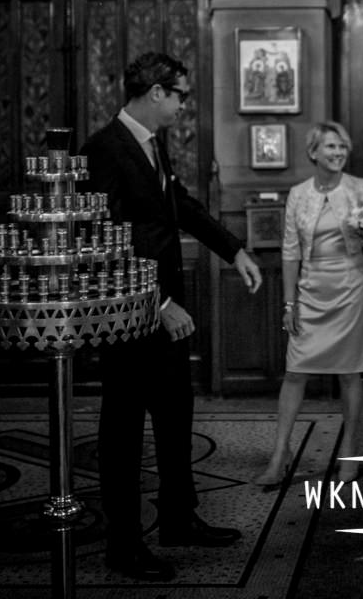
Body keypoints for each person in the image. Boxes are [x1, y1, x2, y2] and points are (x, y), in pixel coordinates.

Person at [80, 51, 263, 582]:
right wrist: (158, 303)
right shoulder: (104, 149)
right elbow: (102, 241)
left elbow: (179, 205)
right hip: (132, 315)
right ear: (156, 91)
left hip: (164, 314)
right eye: (180, 94)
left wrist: (234, 249)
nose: (185, 104)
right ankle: (123, 545)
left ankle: (178, 519)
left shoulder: (151, 144)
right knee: (123, 431)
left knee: (176, 415)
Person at [253, 121, 363, 488]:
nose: (338, 153)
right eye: (330, 147)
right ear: (313, 153)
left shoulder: (360, 188)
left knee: (350, 373)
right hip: (310, 288)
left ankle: (350, 448)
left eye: (342, 147)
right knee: (295, 371)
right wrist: (289, 304)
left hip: (352, 286)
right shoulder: (298, 193)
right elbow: (290, 251)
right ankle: (280, 454)